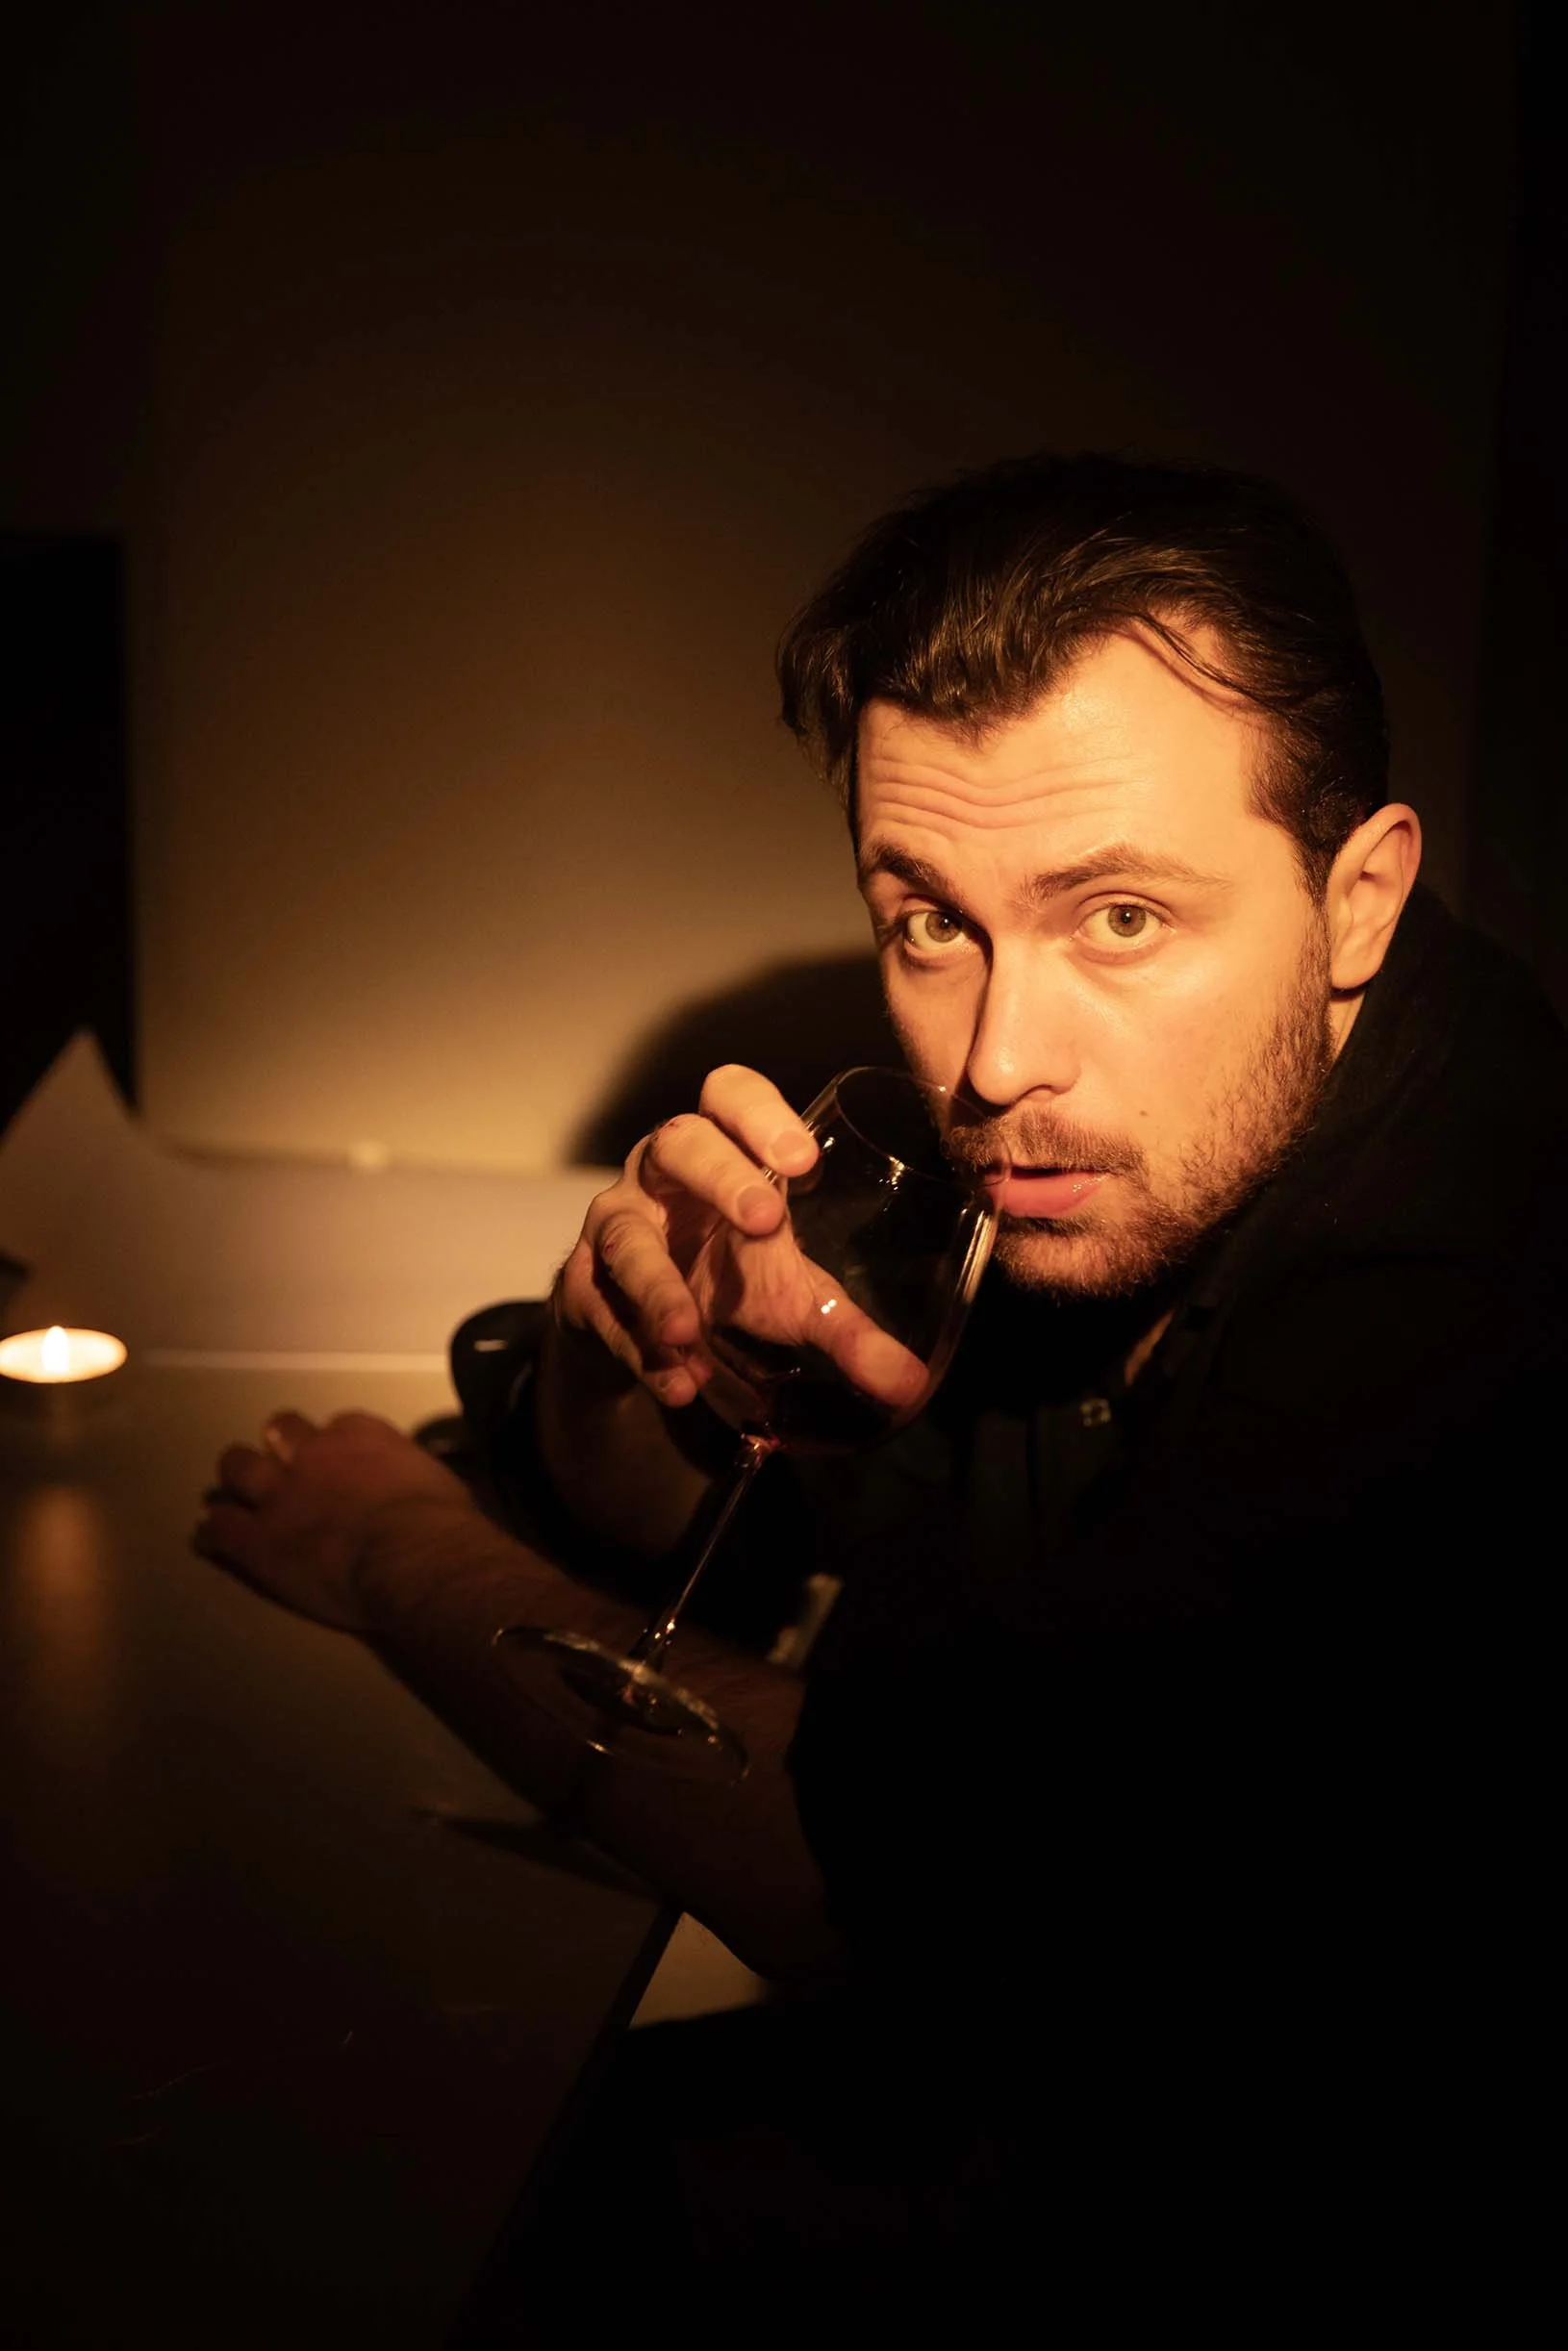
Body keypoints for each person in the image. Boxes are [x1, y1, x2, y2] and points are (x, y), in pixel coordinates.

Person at [196, 453, 1566, 2322]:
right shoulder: (1134, 1167)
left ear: (1356, 901)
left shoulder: (1451, 1297)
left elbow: (909, 1878)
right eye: (928, 918)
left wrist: (392, 1560)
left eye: (1119, 920)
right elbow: (714, 1535)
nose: (996, 1057)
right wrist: (633, 1352)